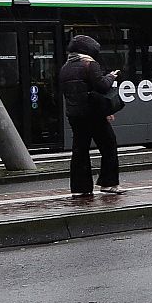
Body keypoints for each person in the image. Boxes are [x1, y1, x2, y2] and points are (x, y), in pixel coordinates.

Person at [59, 34, 121, 197]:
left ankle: (81, 188)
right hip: (93, 114)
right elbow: (101, 87)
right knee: (109, 145)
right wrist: (111, 76)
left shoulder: (65, 67)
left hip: (75, 115)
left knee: (80, 150)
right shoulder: (89, 64)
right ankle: (108, 183)